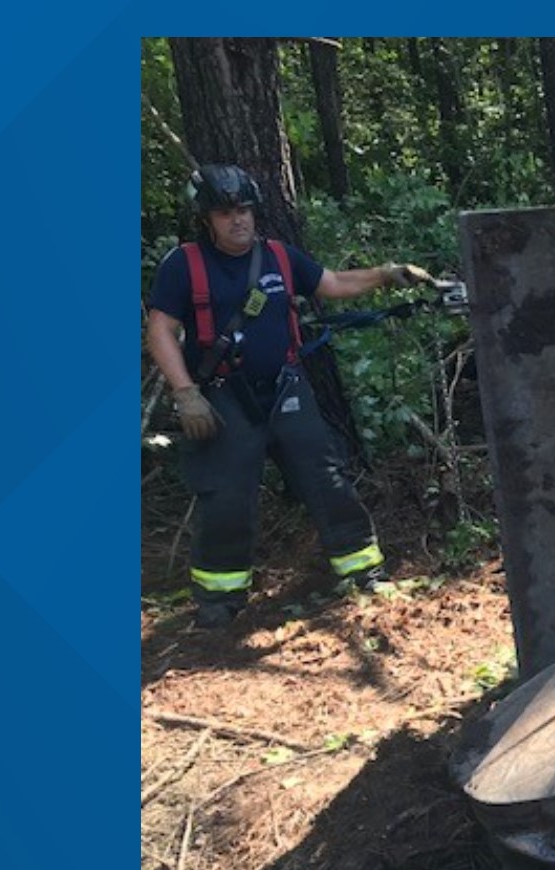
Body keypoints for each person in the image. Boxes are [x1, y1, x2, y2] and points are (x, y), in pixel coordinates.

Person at [145, 164, 438, 628]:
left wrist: (386, 274)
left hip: (285, 387)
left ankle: (362, 570)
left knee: (325, 475)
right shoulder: (184, 265)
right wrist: (185, 393)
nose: (238, 219)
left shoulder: (279, 256)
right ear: (206, 219)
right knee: (226, 495)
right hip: (222, 395)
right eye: (225, 212)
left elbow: (333, 283)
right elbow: (160, 329)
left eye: (244, 209)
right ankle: (219, 599)